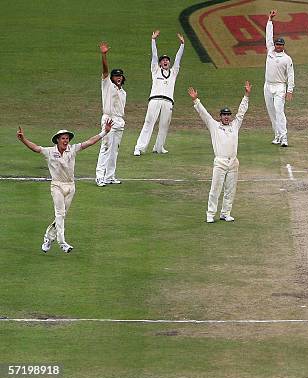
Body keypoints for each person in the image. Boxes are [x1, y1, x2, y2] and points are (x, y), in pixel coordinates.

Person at [17, 121, 113, 253]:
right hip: (57, 186)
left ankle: (48, 238)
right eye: (63, 138)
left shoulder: (72, 149)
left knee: (61, 216)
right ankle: (62, 243)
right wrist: (23, 139)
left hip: (70, 187)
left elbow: (89, 142)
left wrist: (105, 132)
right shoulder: (49, 152)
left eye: (67, 138)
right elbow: (35, 148)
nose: (66, 140)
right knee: (60, 214)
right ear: (57, 140)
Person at [188, 81, 250, 223]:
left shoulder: (235, 125)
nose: (227, 117)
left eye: (228, 115)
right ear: (220, 116)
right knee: (215, 189)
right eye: (224, 115)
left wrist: (246, 95)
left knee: (230, 190)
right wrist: (195, 100)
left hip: (233, 162)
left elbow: (241, 112)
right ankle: (210, 214)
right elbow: (204, 114)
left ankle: (225, 213)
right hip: (220, 162)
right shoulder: (214, 126)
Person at [133, 31, 185, 156]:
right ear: (160, 63)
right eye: (163, 60)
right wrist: (153, 40)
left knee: (164, 125)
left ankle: (159, 147)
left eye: (167, 60)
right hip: (155, 100)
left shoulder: (173, 72)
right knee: (149, 122)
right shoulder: (155, 70)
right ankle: (139, 148)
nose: (165, 61)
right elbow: (154, 56)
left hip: (168, 102)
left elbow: (178, 59)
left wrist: (182, 45)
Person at [95, 42, 126, 187]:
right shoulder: (107, 84)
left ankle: (110, 176)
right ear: (112, 78)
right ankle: (99, 176)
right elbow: (105, 71)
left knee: (114, 151)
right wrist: (104, 55)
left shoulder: (123, 92)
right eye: (116, 76)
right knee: (106, 148)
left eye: (120, 76)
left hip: (119, 122)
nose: (118, 77)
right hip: (109, 119)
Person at [264, 9, 294, 147]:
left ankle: (284, 137)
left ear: (283, 46)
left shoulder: (287, 59)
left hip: (280, 87)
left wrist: (290, 91)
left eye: (281, 45)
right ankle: (277, 135)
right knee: (271, 112)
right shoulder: (270, 50)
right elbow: (268, 37)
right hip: (267, 85)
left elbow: (291, 75)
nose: (278, 46)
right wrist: (270, 20)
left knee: (279, 111)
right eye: (277, 44)